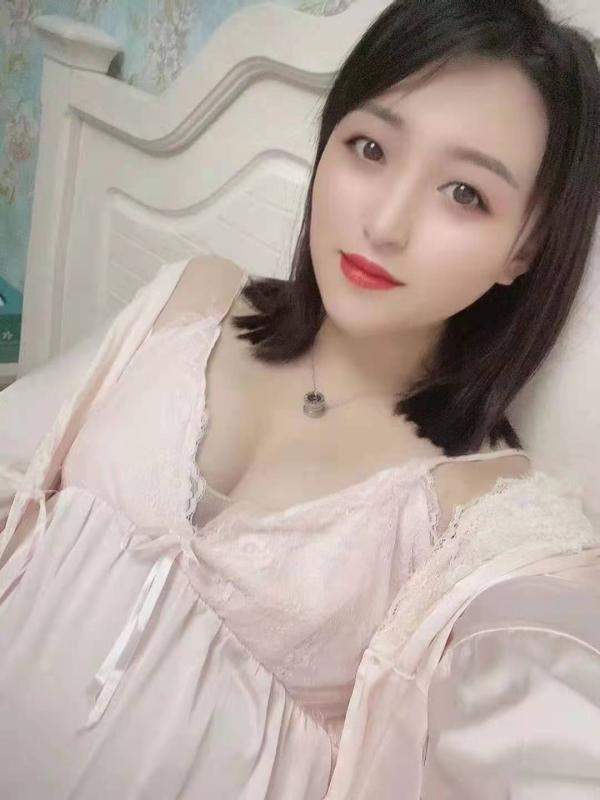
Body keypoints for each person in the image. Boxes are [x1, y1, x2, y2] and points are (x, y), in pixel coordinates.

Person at [1, 0, 600, 797]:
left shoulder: (488, 519)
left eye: (465, 192)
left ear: (524, 247)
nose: (385, 223)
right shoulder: (194, 299)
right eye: (369, 148)